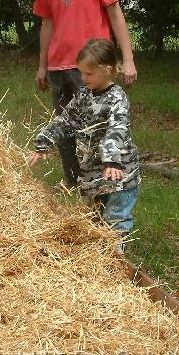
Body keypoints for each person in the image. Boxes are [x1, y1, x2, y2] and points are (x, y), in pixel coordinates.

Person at [33, 0, 137, 188]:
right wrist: (42, 66)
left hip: (91, 66)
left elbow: (116, 15)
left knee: (95, 131)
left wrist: (128, 60)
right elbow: (46, 24)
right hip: (58, 67)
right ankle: (75, 184)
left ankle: (103, 186)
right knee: (65, 129)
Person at [29, 38, 140, 254]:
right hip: (93, 172)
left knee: (115, 216)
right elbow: (66, 120)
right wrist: (44, 142)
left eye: (89, 74)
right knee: (95, 216)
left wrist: (111, 159)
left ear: (107, 70)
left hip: (119, 172)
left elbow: (118, 129)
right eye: (81, 73)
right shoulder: (83, 95)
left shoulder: (117, 99)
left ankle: (116, 255)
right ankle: (97, 253)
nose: (83, 78)